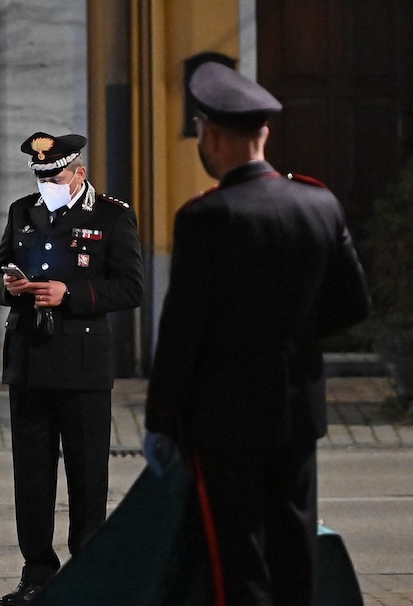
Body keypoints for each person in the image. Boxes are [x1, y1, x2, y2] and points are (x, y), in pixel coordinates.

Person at [143, 62, 370, 605]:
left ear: (213, 136)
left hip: (225, 422)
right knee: (295, 551)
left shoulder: (206, 217)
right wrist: (292, 335)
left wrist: (162, 419)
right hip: (296, 413)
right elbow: (353, 305)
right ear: (263, 134)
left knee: (237, 561)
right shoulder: (319, 203)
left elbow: (182, 330)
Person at [0, 132, 144, 605]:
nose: (47, 184)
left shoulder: (112, 216)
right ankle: (37, 572)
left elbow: (130, 289)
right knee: (32, 477)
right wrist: (9, 287)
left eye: (54, 176)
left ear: (78, 172)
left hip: (82, 366)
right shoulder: (23, 212)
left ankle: (89, 573)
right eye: (40, 177)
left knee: (86, 474)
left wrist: (70, 295)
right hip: (30, 363)